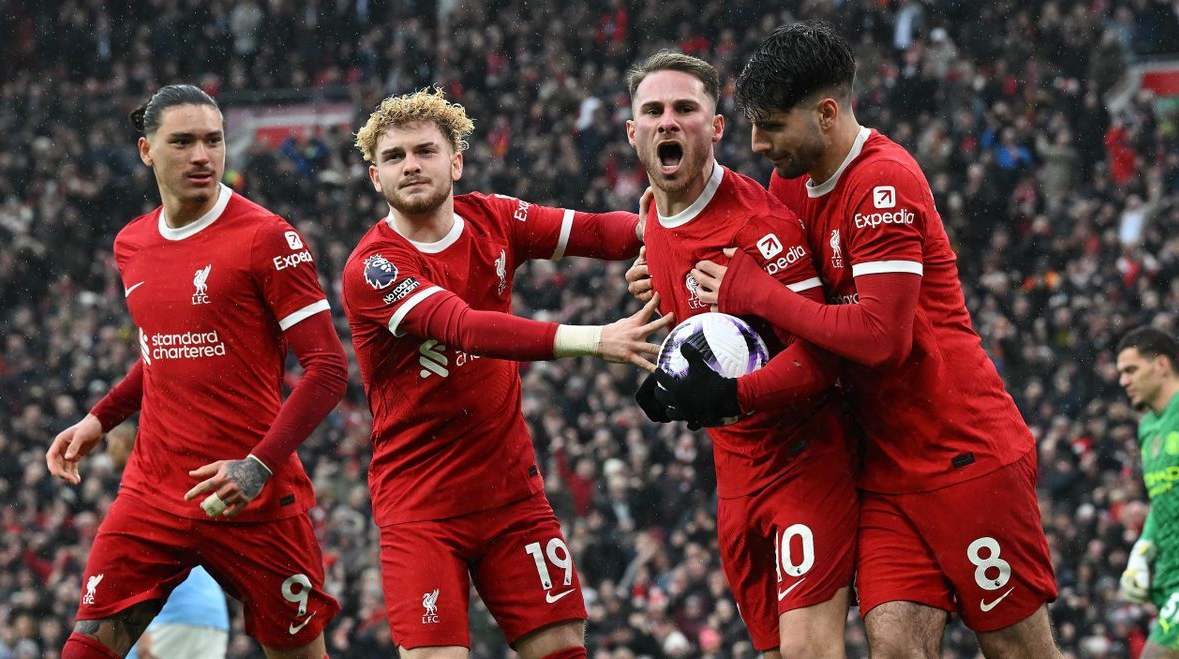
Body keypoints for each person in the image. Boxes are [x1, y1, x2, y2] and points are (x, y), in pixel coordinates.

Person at [664, 23, 1061, 657]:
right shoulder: (791, 181)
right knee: (897, 648)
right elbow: (772, 283)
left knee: (1018, 650)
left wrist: (755, 294)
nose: (758, 143)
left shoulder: (884, 184)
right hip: (879, 466)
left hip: (962, 456)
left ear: (826, 113)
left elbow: (880, 339)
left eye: (770, 125)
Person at [341, 86, 671, 658]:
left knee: (565, 649)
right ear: (375, 177)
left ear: (457, 161)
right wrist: (597, 339)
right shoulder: (372, 267)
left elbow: (601, 232)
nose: (411, 165)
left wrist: (675, 222)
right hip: (422, 504)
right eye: (394, 157)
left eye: (424, 150)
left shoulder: (493, 217)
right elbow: (466, 327)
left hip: (511, 494)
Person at [45, 84, 347, 659]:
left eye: (213, 141)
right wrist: (99, 419)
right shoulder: (131, 243)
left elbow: (329, 369)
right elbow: (163, 350)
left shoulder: (267, 237)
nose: (202, 156)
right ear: (146, 151)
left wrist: (256, 468)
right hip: (153, 491)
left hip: (253, 497)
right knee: (87, 645)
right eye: (181, 142)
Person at [623, 51, 858, 658]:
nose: (667, 122)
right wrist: (670, 384)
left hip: (803, 463)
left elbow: (823, 358)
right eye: (653, 111)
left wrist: (728, 395)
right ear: (633, 132)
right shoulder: (652, 214)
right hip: (733, 480)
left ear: (717, 126)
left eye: (685, 109)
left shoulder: (762, 228)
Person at [101, 426, 231, 659]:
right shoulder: (163, 475)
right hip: (211, 615)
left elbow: (144, 560)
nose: (108, 451)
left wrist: (145, 630)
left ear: (123, 441)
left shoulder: (139, 487)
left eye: (110, 443)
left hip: (174, 618)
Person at [1115, 326, 1179, 658]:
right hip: (1171, 577)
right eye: (1121, 372)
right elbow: (1164, 498)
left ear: (1161, 365)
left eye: (1131, 370)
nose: (1123, 381)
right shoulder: (1148, 427)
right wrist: (1142, 551)